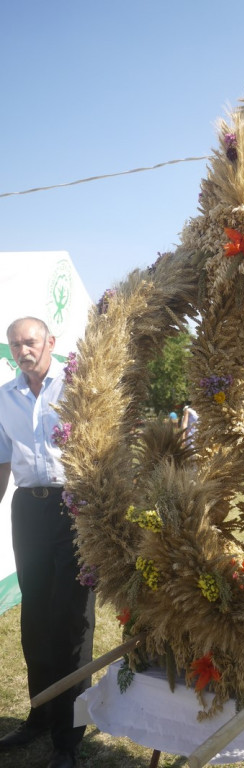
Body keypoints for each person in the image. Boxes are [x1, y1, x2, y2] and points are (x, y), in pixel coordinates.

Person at [0, 317, 95, 768]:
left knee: (74, 618)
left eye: (31, 341)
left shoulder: (78, 388)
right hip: (29, 511)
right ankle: (38, 716)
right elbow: (3, 463)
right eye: (15, 344)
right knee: (35, 613)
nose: (24, 350)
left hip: (74, 508)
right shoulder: (4, 397)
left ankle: (68, 738)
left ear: (51, 344)